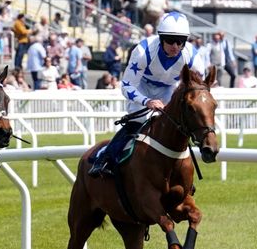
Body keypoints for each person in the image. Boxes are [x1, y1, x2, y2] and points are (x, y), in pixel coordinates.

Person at [89, 11, 208, 177]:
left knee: (177, 124)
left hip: (169, 88)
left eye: (180, 41)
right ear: (160, 38)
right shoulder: (143, 51)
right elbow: (127, 85)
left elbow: (198, 88)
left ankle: (181, 171)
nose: (175, 46)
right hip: (142, 86)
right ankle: (105, 159)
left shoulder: (194, 58)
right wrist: (146, 101)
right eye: (170, 40)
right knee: (138, 121)